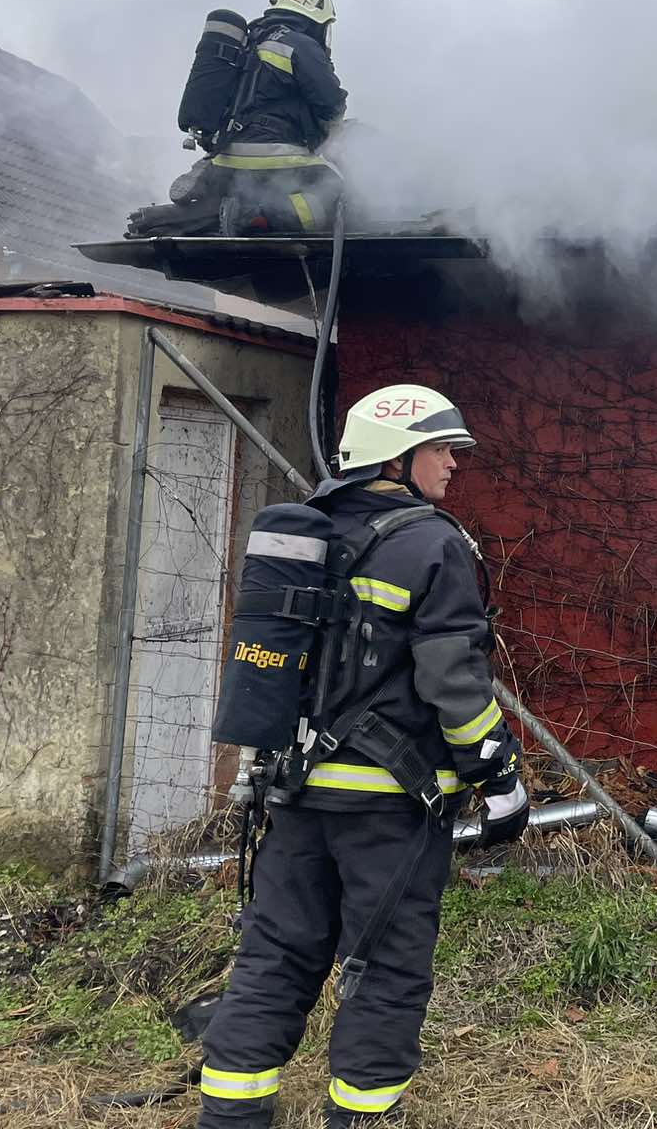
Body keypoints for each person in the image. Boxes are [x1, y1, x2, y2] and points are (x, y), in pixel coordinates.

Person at [198, 384, 529, 1125]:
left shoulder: (307, 533)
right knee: (386, 969)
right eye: (442, 448)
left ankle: (229, 1118)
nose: (453, 464)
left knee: (275, 957)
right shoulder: (431, 541)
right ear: (397, 455)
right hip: (389, 809)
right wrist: (499, 775)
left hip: (292, 795)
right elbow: (454, 681)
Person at [127, 0, 349, 237]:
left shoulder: (247, 40)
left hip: (226, 155)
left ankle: (157, 220)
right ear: (313, 18)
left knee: (225, 203)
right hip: (273, 155)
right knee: (333, 191)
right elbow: (332, 103)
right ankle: (255, 217)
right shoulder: (301, 45)